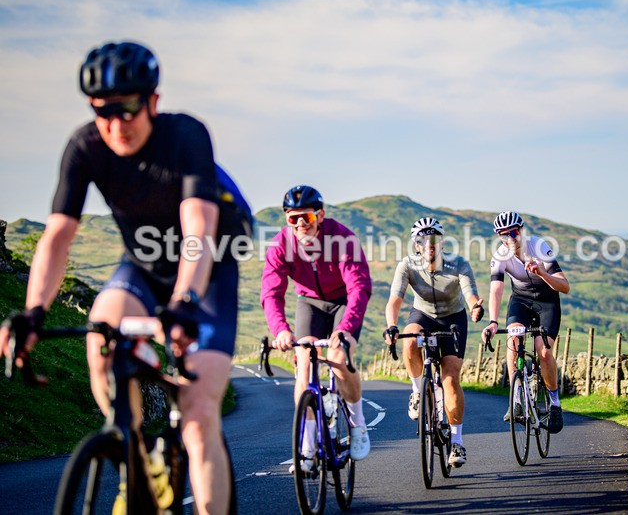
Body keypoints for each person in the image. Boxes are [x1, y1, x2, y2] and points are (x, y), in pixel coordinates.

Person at [0, 41, 248, 513]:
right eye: (102, 112)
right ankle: (136, 463)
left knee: (197, 418)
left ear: (152, 101)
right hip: (142, 267)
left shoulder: (185, 136)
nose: (115, 125)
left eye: (127, 110)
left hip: (207, 272)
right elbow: (57, 238)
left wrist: (185, 300)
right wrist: (34, 310)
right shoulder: (85, 146)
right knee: (100, 338)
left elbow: (198, 225)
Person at [261, 185, 373, 471]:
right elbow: (271, 293)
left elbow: (359, 286)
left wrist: (346, 329)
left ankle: (358, 424)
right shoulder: (280, 246)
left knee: (338, 359)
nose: (300, 224)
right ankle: (307, 448)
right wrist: (281, 331)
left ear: (320, 215)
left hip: (343, 302)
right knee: (304, 362)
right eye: (293, 218)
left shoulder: (342, 238)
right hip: (309, 302)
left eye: (306, 218)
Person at [383, 217, 484, 468]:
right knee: (409, 342)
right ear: (416, 244)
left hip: (453, 318)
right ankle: (418, 391)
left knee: (450, 379)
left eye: (434, 240)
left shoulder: (458, 263)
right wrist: (391, 326)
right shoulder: (407, 265)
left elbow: (470, 294)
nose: (429, 245)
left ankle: (457, 442)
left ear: (441, 243)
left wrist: (475, 308)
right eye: (423, 240)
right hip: (423, 315)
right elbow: (395, 300)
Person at [482, 211, 570, 434]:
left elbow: (564, 286)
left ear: (521, 231)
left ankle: (555, 403)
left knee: (543, 352)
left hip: (547, 301)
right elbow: (496, 289)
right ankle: (516, 398)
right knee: (513, 338)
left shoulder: (539, 247)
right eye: (503, 235)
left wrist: (542, 273)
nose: (509, 239)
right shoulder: (500, 255)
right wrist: (493, 321)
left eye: (513, 233)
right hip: (520, 301)